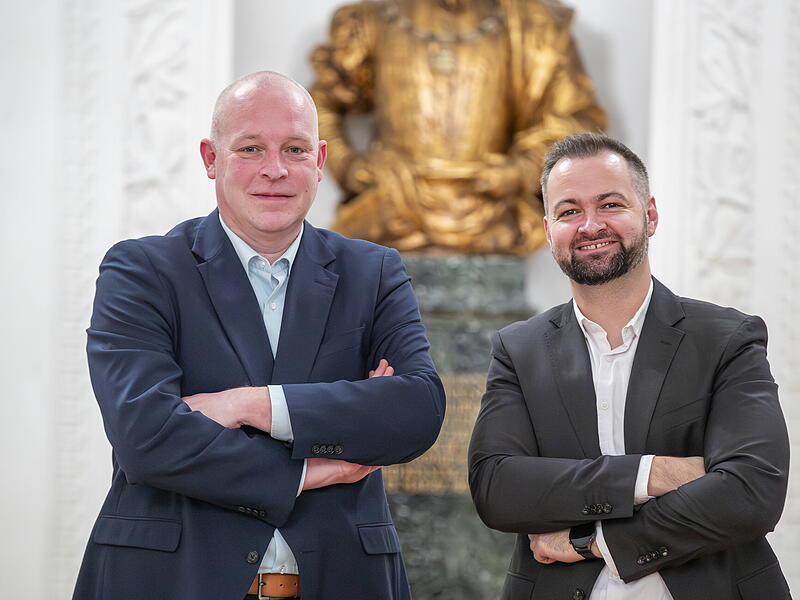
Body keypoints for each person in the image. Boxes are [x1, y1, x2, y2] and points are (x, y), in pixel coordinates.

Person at [73, 71, 445, 600]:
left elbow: (416, 410)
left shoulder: (374, 272)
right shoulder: (143, 270)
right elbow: (144, 435)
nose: (275, 169)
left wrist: (247, 404)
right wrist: (306, 469)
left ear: (319, 161)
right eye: (250, 148)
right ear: (210, 158)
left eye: (294, 149)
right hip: (170, 583)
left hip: (344, 583)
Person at [468, 133, 790, 599]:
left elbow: (752, 493)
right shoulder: (519, 350)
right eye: (569, 211)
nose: (590, 225)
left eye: (610, 204)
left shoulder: (727, 339)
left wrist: (592, 542)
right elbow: (497, 490)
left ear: (650, 215)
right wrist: (653, 473)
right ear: (547, 229)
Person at [310, 0, 606, 255]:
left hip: (494, 210)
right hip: (391, 203)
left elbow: (577, 119)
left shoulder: (536, 26)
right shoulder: (371, 20)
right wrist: (347, 163)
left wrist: (523, 170)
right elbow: (316, 106)